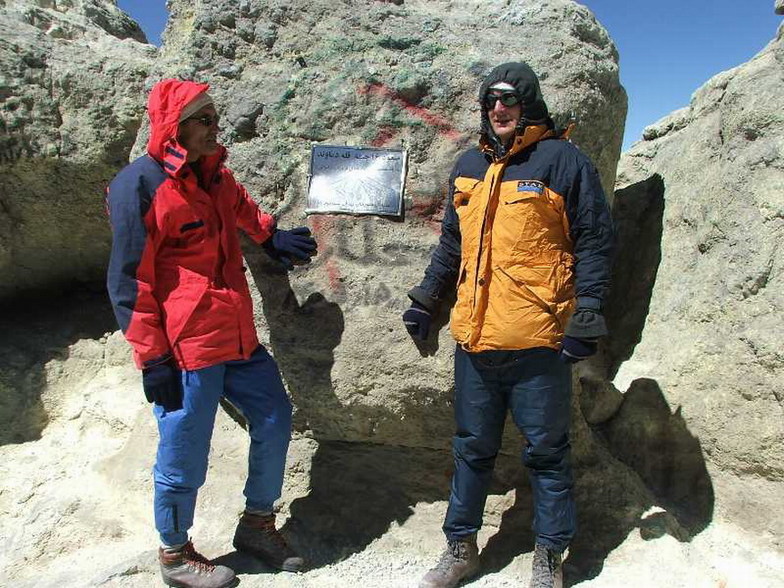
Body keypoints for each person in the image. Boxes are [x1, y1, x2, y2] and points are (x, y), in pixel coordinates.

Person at [403, 62, 614, 588]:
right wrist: (428, 299)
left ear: (528, 105)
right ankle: (460, 547)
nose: (499, 110)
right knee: (471, 448)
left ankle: (550, 556)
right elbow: (453, 244)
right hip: (474, 338)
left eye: (509, 101)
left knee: (546, 452)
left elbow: (593, 239)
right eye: (491, 102)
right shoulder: (469, 164)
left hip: (539, 341)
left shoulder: (562, 161)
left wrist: (588, 308)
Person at [106, 79, 317, 588]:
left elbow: (240, 205)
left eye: (215, 118)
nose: (213, 127)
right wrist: (152, 358)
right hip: (184, 348)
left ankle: (257, 524)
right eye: (203, 119)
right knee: (185, 447)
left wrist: (268, 234)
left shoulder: (215, 175)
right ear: (175, 125)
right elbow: (128, 279)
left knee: (274, 417)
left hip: (237, 335)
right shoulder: (140, 184)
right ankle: (175, 554)